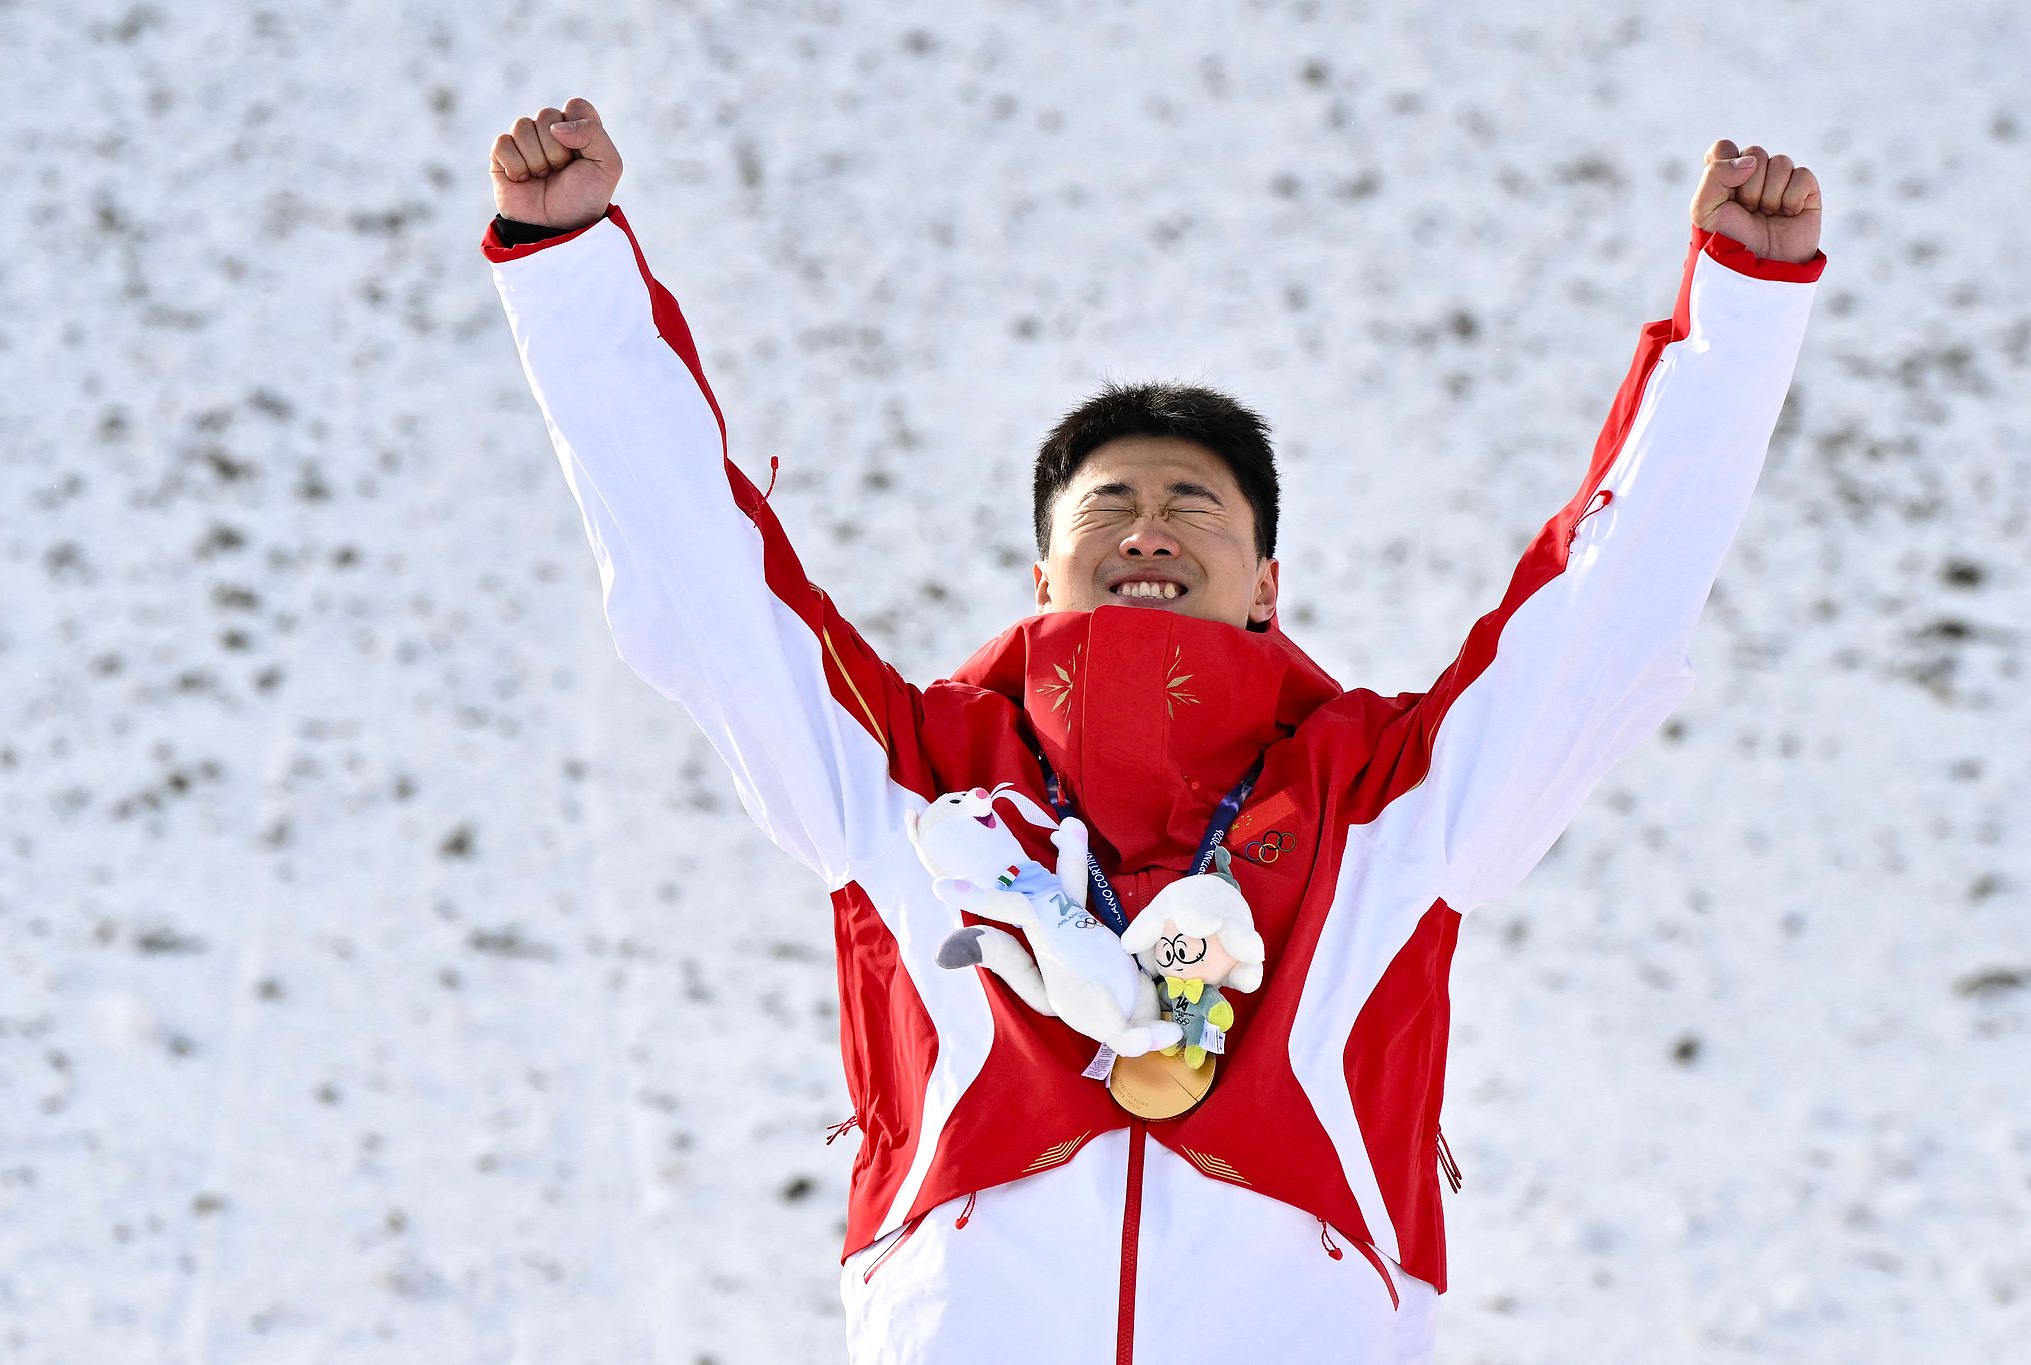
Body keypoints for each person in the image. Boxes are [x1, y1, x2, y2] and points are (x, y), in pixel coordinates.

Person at [483, 96, 1826, 1365]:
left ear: (1267, 585)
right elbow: (709, 582)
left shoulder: (1387, 804)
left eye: (1194, 505)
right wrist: (574, 273)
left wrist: (1743, 317)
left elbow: (1597, 622)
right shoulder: (903, 776)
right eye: (1108, 505)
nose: (1148, 530)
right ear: (1043, 577)